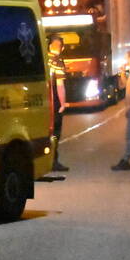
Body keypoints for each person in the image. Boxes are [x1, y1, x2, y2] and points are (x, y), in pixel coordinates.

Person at [47, 35, 69, 172]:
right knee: (55, 133)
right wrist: (62, 104)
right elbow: (60, 85)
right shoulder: (57, 62)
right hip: (53, 102)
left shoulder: (43, 58)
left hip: (40, 100)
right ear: (62, 48)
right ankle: (53, 161)